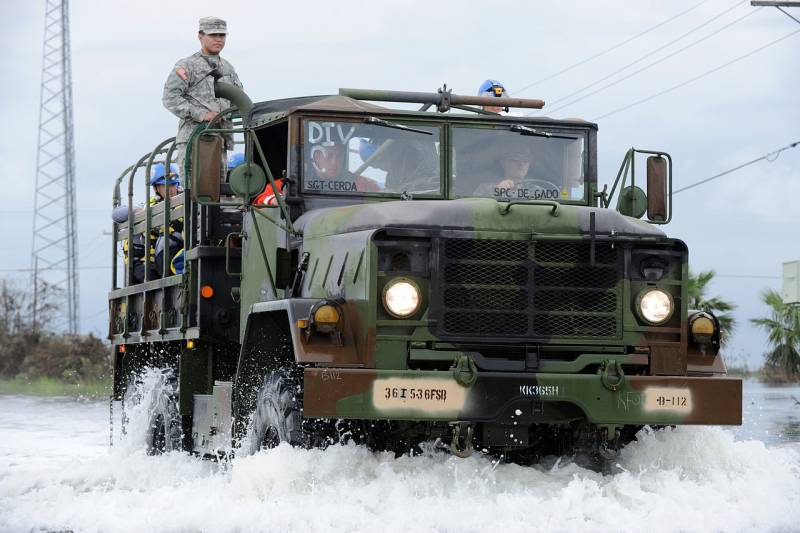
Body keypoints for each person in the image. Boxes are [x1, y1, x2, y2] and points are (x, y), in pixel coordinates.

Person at [163, 16, 243, 181]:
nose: (218, 39)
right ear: (200, 36)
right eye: (213, 35)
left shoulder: (227, 68)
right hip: (195, 139)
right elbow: (170, 98)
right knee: (197, 190)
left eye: (222, 35)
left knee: (218, 190)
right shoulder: (187, 66)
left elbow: (238, 98)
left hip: (220, 139)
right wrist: (202, 114)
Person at [112, 163, 184, 282]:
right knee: (134, 233)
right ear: (156, 188)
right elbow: (116, 214)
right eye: (164, 186)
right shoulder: (149, 205)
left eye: (172, 185)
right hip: (146, 263)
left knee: (169, 237)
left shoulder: (184, 201)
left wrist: (159, 225)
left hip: (169, 258)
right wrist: (140, 212)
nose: (170, 189)